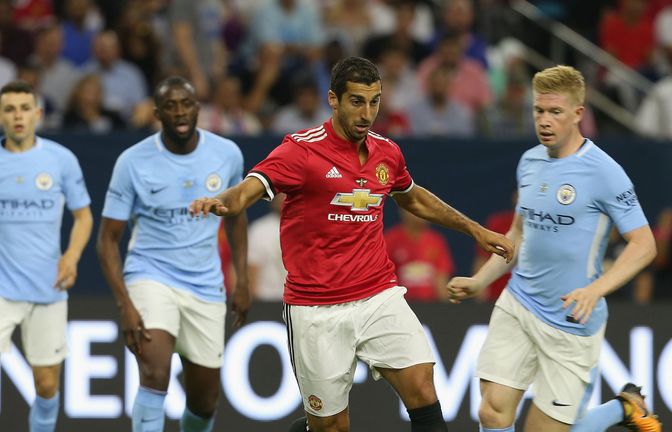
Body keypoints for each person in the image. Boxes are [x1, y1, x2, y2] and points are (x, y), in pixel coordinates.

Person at [189, 56, 513, 432]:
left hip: (377, 293)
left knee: (422, 385)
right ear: (333, 99)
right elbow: (249, 189)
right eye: (357, 101)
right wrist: (222, 202)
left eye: (374, 101)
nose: (367, 113)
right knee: (331, 427)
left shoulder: (387, 153)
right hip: (316, 307)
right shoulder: (301, 151)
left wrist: (475, 230)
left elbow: (412, 197)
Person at [447, 65, 662, 432]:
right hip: (518, 304)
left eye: (555, 112)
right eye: (538, 111)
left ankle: (623, 410)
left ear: (578, 114)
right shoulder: (529, 162)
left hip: (570, 320)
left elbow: (644, 245)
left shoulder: (605, 172)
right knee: (491, 412)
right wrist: (481, 281)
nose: (544, 121)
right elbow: (517, 234)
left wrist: (595, 290)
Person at [95, 76, 250, 432]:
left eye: (186, 104)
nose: (179, 112)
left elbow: (236, 219)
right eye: (170, 105)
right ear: (157, 113)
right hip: (150, 275)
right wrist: (126, 304)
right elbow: (107, 240)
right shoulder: (132, 162)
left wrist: (242, 280)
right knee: (154, 370)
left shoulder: (226, 154)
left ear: (198, 109)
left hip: (205, 284)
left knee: (204, 401)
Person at [0, 79, 93, 432]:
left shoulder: (61, 160)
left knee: (46, 386)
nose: (18, 116)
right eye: (10, 109)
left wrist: (71, 256)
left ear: (38, 114)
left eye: (25, 109)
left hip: (48, 287)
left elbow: (84, 216)